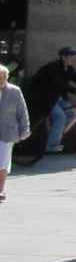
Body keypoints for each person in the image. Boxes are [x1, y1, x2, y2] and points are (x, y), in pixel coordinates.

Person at [27, 46, 76, 154]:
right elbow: (60, 84)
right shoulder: (53, 68)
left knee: (72, 114)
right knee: (60, 117)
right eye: (72, 56)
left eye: (75, 56)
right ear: (63, 57)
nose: (74, 58)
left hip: (57, 97)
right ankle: (51, 145)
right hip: (44, 97)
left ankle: (54, 134)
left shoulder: (69, 69)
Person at [0, 64, 28, 201]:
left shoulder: (14, 91)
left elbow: (22, 112)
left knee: (3, 162)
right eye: (0, 77)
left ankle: (1, 189)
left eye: (5, 77)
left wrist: (25, 129)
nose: (2, 79)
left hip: (8, 132)